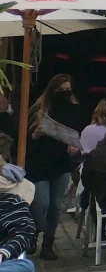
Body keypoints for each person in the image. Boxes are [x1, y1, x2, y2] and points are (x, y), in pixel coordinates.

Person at [25, 74, 83, 260]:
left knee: (56, 205)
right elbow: (23, 138)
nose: (66, 94)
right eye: (61, 91)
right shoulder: (38, 110)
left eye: (68, 90)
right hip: (39, 163)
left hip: (61, 163)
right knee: (42, 202)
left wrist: (75, 144)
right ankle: (34, 231)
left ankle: (48, 243)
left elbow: (77, 132)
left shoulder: (74, 109)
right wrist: (34, 135)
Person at [0, 189, 35, 272]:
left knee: (26, 267)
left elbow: (24, 233)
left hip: (3, 263)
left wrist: (3, 253)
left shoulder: (11, 202)